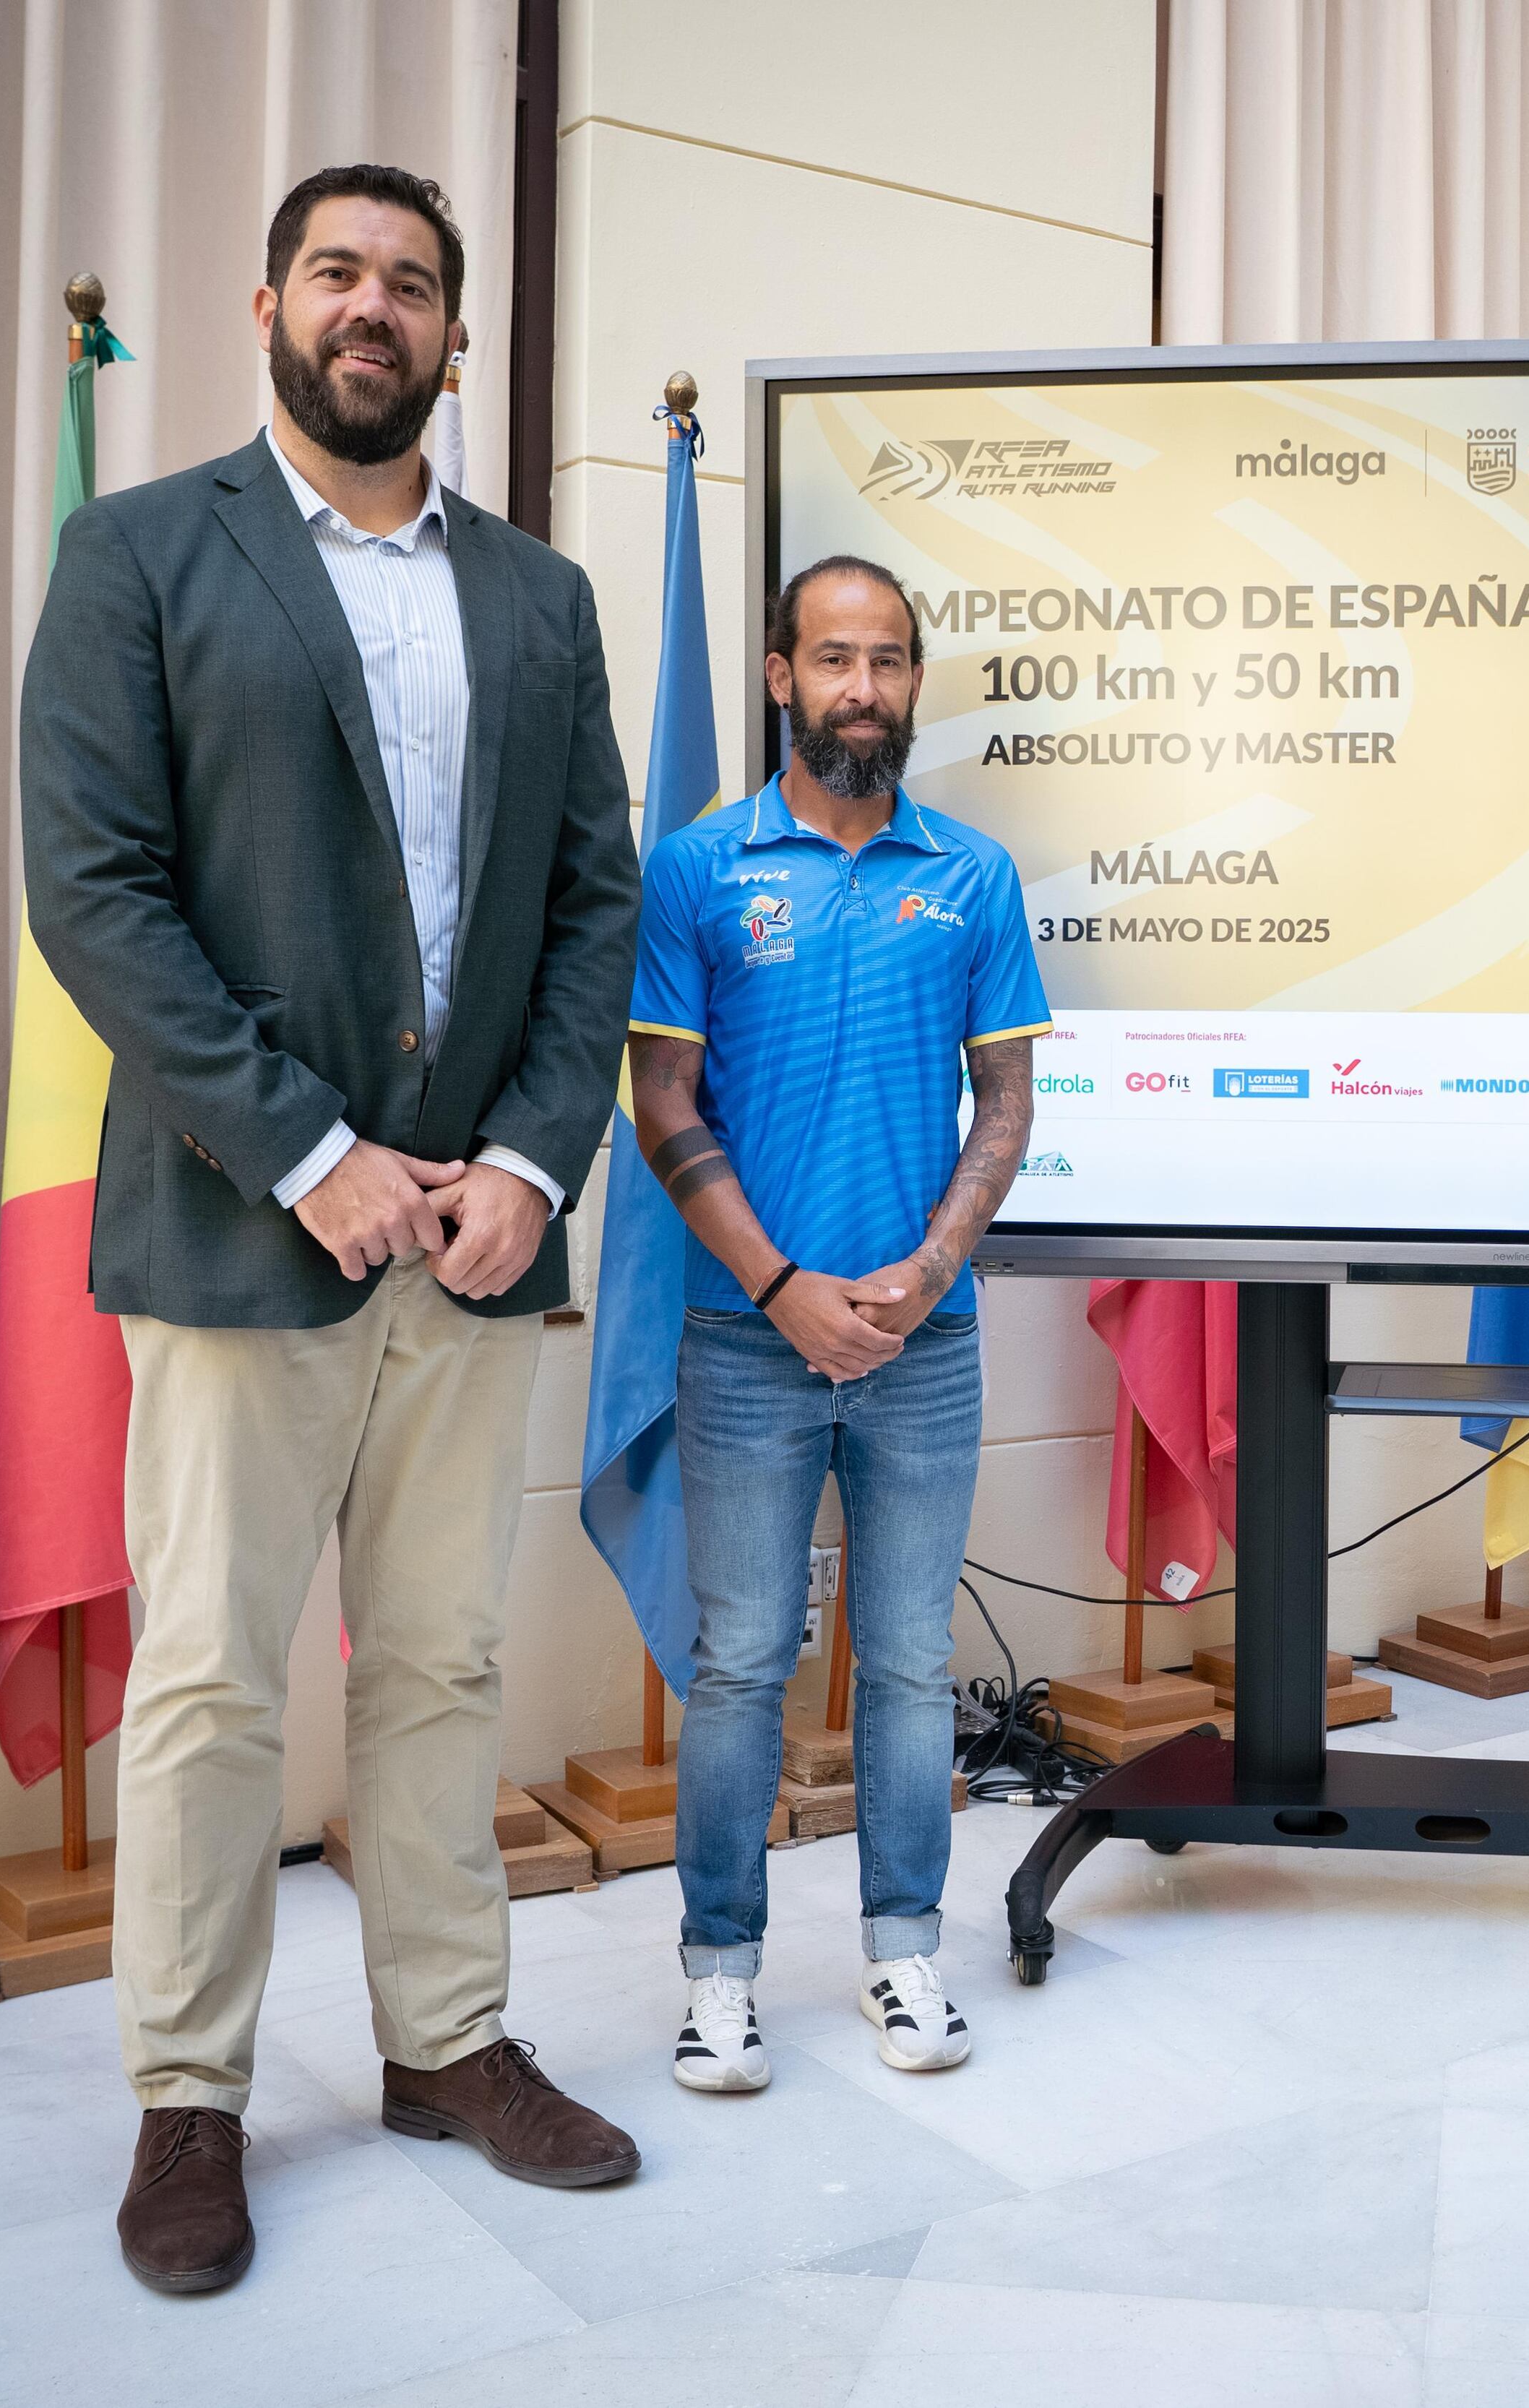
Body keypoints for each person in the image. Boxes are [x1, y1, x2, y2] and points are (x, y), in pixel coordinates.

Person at [22, 163, 644, 2295]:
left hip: (474, 1243)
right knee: (204, 1680)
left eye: (413, 286)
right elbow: (96, 894)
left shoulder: (542, 601)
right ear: (268, 305)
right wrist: (312, 1151)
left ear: (456, 341)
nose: (374, 310)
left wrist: (532, 1164)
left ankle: (444, 2041)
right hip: (238, 1230)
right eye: (339, 274)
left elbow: (589, 907)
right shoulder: (136, 559)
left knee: (447, 1662)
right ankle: (188, 2095)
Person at [624, 555, 1047, 2096]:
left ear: (913, 683)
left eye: (889, 661)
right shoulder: (694, 868)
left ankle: (900, 1952)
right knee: (739, 1658)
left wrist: (927, 1271)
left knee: (913, 1665)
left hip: (922, 1344)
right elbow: (659, 1096)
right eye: (833, 659)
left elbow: (1004, 1098)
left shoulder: (974, 876)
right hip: (747, 1342)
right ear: (779, 676)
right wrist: (784, 1291)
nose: (861, 687)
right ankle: (719, 1977)